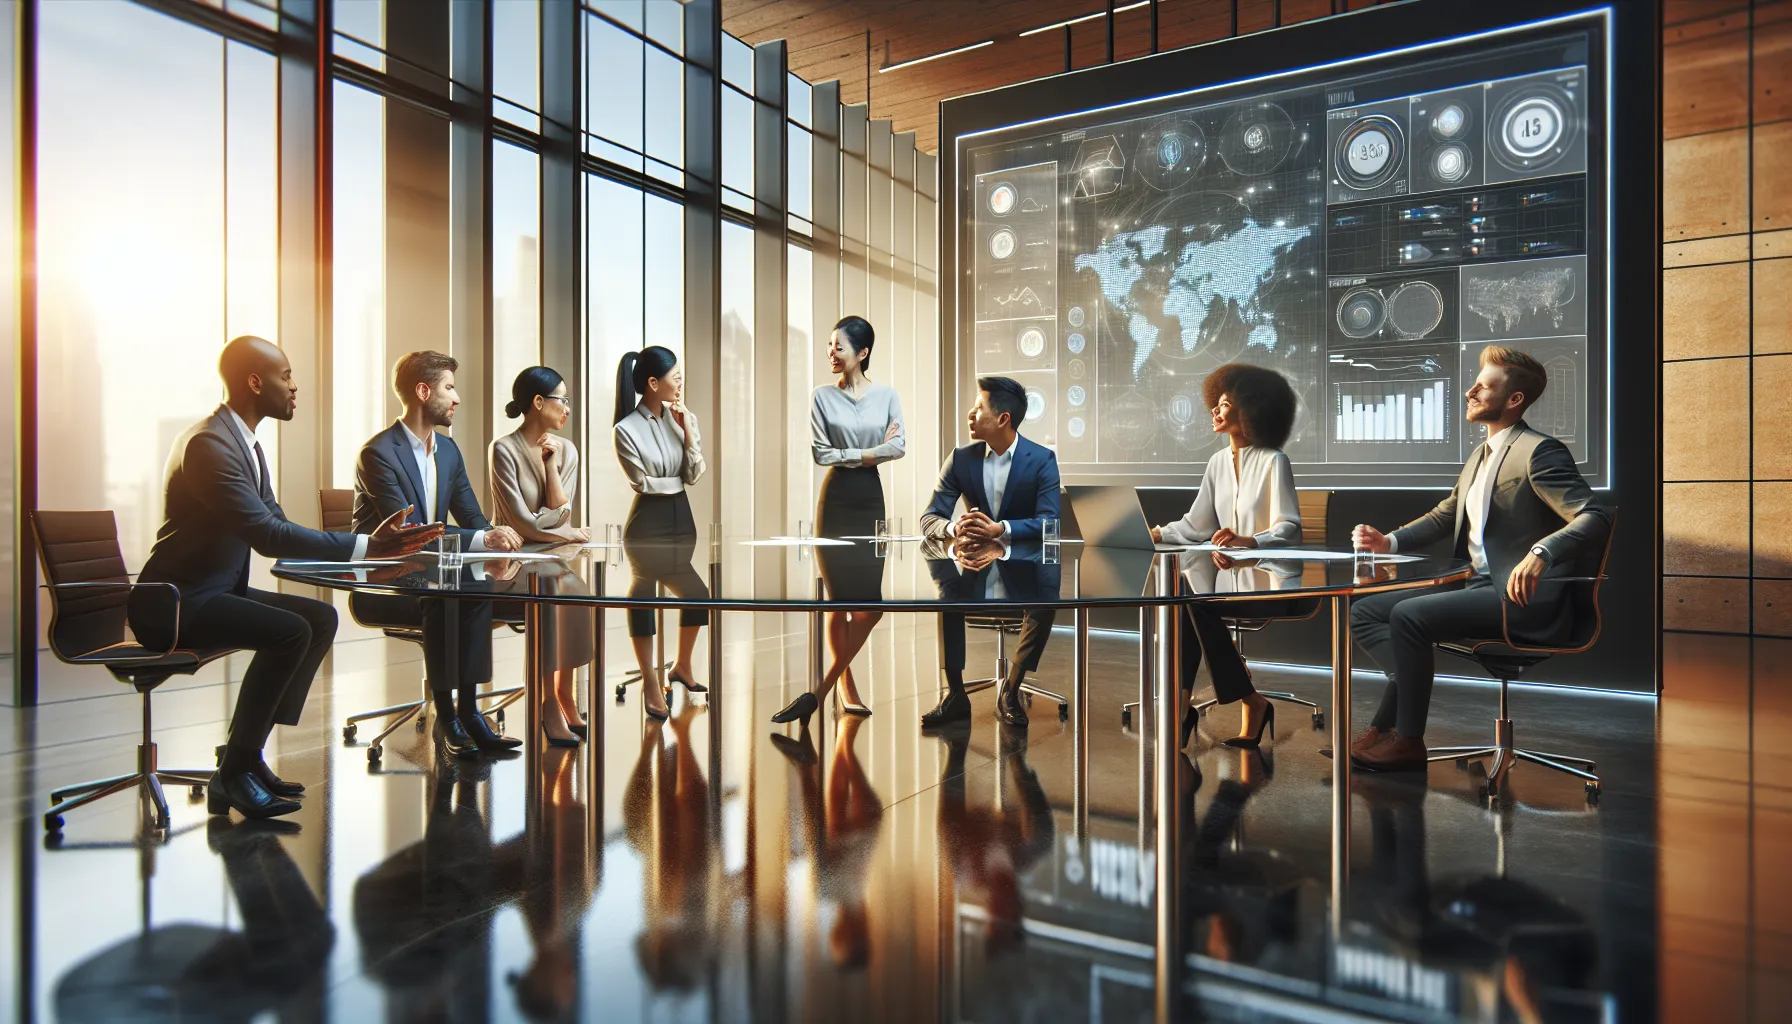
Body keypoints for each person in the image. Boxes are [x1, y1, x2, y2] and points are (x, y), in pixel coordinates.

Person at [131, 336, 440, 820]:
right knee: (290, 630)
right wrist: (365, 547)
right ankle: (233, 771)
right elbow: (267, 535)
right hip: (174, 601)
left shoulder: (243, 443)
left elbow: (276, 520)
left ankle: (246, 755)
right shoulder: (210, 444)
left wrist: (364, 556)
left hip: (211, 590)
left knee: (318, 618)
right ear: (255, 382)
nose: (295, 387)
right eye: (286, 376)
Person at [1347, 346, 1611, 772]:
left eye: (1483, 386)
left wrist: (1541, 552)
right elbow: (1447, 514)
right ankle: (1394, 711)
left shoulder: (1539, 451)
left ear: (1514, 400)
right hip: (1477, 587)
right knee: (1366, 611)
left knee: (1409, 617)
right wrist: (1388, 542)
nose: (1469, 391)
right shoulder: (1481, 455)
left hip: (1521, 599)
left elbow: (1593, 516)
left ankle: (1408, 739)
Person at [351, 350, 525, 759]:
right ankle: (446, 716)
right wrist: (485, 541)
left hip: (435, 568)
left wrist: (492, 536)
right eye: (449, 388)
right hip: (386, 574)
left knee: (474, 581)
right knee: (446, 589)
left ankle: (470, 710)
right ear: (423, 391)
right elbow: (407, 535)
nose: (456, 398)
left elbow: (472, 518)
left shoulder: (447, 451)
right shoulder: (378, 453)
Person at [1148, 363, 1315, 750]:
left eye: (1224, 404)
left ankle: (1228, 704)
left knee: (1193, 603)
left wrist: (1250, 541)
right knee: (1187, 601)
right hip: (1224, 583)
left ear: (1251, 411)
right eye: (1215, 404)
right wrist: (1155, 533)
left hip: (1271, 582)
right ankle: (1211, 703)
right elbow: (1194, 526)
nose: (1214, 411)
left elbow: (1289, 527)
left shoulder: (1274, 461)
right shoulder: (1217, 463)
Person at [771, 315, 905, 725]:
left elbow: (899, 446)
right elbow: (820, 453)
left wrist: (865, 453)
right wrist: (867, 452)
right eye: (829, 346)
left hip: (870, 500)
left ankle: (819, 689)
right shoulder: (821, 396)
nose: (831, 353)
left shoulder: (886, 395)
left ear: (862, 353)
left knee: (870, 607)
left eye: (839, 347)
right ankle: (844, 683)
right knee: (838, 600)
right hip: (835, 500)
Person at [918, 376, 1061, 729]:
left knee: (1046, 598)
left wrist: (1003, 530)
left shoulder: (1042, 459)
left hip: (1024, 565)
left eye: (979, 407)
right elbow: (930, 517)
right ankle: (954, 694)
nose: (971, 413)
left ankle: (1011, 691)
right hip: (973, 569)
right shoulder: (961, 459)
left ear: (1003, 419)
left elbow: (1050, 523)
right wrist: (954, 528)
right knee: (946, 591)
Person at [490, 365, 596, 746]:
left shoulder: (566, 450)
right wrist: (561, 530)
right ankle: (546, 701)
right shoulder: (503, 449)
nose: (567, 407)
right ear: (538, 402)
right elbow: (520, 523)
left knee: (576, 589)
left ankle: (565, 692)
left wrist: (550, 464)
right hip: (509, 561)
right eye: (562, 399)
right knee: (552, 593)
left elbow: (560, 510)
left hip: (550, 556)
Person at [613, 345, 710, 722]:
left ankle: (682, 667)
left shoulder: (683, 418)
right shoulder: (625, 429)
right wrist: (673, 476)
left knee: (698, 594)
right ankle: (651, 682)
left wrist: (687, 434)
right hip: (647, 523)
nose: (680, 381)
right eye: (675, 375)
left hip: (680, 519)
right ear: (653, 383)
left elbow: (694, 475)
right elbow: (641, 482)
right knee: (643, 595)